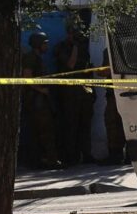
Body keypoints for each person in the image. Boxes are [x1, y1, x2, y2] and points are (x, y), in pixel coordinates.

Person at [54, 21, 95, 166]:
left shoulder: (84, 48)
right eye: (73, 33)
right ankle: (71, 156)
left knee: (86, 125)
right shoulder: (62, 48)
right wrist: (75, 47)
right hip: (69, 94)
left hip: (83, 92)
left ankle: (87, 154)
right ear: (68, 34)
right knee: (71, 126)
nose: (76, 36)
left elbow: (88, 69)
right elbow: (70, 64)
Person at [21, 31, 61, 169]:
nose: (46, 47)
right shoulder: (31, 58)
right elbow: (27, 77)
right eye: (44, 44)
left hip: (41, 101)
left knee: (43, 131)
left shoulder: (37, 57)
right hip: (36, 101)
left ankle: (44, 159)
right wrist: (41, 90)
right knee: (44, 131)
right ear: (38, 44)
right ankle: (49, 160)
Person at [98, 48, 125, 165]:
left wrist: (98, 71)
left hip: (115, 93)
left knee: (112, 123)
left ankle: (115, 154)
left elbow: (107, 71)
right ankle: (125, 155)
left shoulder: (111, 49)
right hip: (125, 91)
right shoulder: (132, 46)